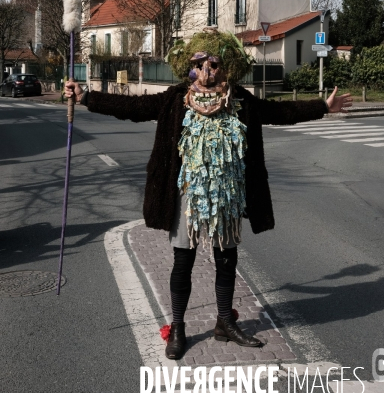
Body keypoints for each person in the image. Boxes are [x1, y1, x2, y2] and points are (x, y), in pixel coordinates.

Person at [65, 30, 352, 359]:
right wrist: (86, 95)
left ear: (226, 67)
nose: (206, 71)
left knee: (226, 259)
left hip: (227, 195)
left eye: (213, 63)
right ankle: (177, 327)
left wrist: (322, 107)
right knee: (182, 261)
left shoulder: (240, 100)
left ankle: (224, 324)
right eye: (199, 64)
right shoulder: (176, 99)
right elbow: (134, 106)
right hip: (187, 194)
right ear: (190, 67)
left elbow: (277, 113)